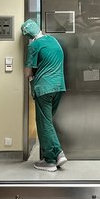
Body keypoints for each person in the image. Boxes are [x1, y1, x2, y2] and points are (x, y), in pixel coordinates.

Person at [21, 19, 67, 172]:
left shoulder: (34, 45)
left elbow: (27, 72)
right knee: (47, 122)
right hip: (59, 86)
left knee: (43, 123)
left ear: (29, 36)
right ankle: (57, 154)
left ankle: (50, 160)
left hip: (44, 88)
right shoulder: (53, 40)